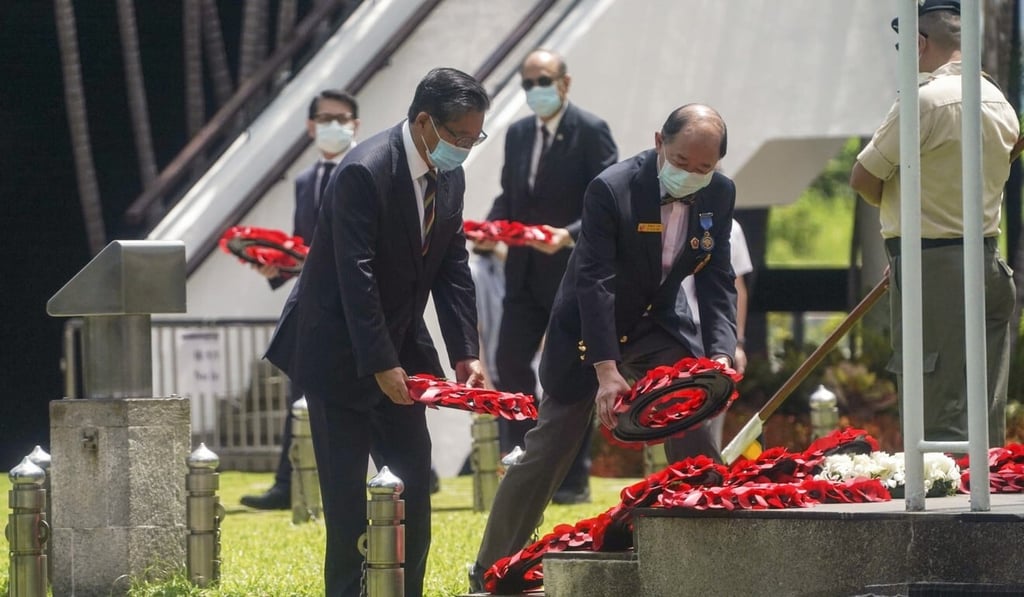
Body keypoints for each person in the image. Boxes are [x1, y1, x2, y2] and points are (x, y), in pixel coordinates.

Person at [470, 104, 738, 590]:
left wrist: (721, 351)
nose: (691, 176)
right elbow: (596, 280)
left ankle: (711, 564)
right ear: (659, 141)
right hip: (587, 330)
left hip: (659, 325)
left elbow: (718, 277)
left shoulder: (719, 193)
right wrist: (606, 370)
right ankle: (489, 569)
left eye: (704, 167)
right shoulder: (611, 189)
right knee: (549, 447)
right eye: (680, 161)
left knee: (694, 420)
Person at [265, 67, 489, 597]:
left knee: (412, 493)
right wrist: (381, 363)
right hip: (337, 351)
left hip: (401, 349)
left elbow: (453, 266)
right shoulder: (364, 171)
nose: (464, 147)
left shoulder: (450, 175)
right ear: (424, 123)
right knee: (348, 511)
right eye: (458, 136)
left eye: (474, 137)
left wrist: (465, 351)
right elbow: (355, 277)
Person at [849, 0, 1017, 446]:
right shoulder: (1000, 100)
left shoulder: (922, 101)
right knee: (982, 409)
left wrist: (903, 221)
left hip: (934, 265)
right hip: (987, 259)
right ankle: (986, 506)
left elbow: (863, 177)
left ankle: (942, 512)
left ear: (921, 43)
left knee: (937, 411)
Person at [476, 48, 618, 504]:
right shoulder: (517, 134)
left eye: (543, 81)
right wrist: (489, 227)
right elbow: (511, 196)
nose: (535, 91)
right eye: (527, 83)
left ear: (564, 83)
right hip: (521, 274)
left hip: (570, 275)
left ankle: (572, 478)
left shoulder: (591, 131)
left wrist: (568, 236)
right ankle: (519, 462)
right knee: (510, 364)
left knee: (567, 376)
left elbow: (607, 202)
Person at [241, 89, 361, 510]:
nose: (334, 125)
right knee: (299, 389)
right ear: (311, 126)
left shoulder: (364, 168)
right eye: (326, 118)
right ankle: (285, 482)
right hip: (314, 304)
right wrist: (277, 269)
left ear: (355, 125)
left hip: (358, 300)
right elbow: (302, 248)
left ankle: (416, 474)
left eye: (342, 118)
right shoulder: (305, 182)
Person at [682, 218, 753, 447]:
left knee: (716, 403)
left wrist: (738, 342)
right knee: (679, 405)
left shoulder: (731, 226)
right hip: (676, 323)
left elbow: (736, 288)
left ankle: (709, 467)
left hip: (714, 326)